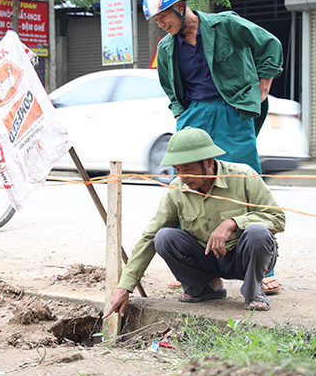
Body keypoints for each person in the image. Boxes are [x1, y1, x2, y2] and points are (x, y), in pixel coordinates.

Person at [143, 0, 284, 294]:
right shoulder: (166, 48)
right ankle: (200, 271)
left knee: (245, 184)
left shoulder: (226, 25)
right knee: (189, 186)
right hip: (195, 118)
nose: (161, 24)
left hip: (233, 114)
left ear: (180, 6)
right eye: (156, 21)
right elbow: (171, 89)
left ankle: (264, 269)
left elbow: (269, 44)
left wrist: (264, 83)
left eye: (163, 16)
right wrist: (182, 114)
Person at [103, 127, 285, 318]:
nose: (183, 176)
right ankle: (206, 287)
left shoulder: (243, 175)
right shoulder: (177, 189)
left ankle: (253, 290)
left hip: (245, 259)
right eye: (178, 170)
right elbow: (149, 236)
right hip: (207, 258)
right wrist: (125, 287)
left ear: (208, 162)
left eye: (188, 169)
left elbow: (277, 218)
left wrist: (233, 223)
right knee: (164, 237)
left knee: (258, 233)